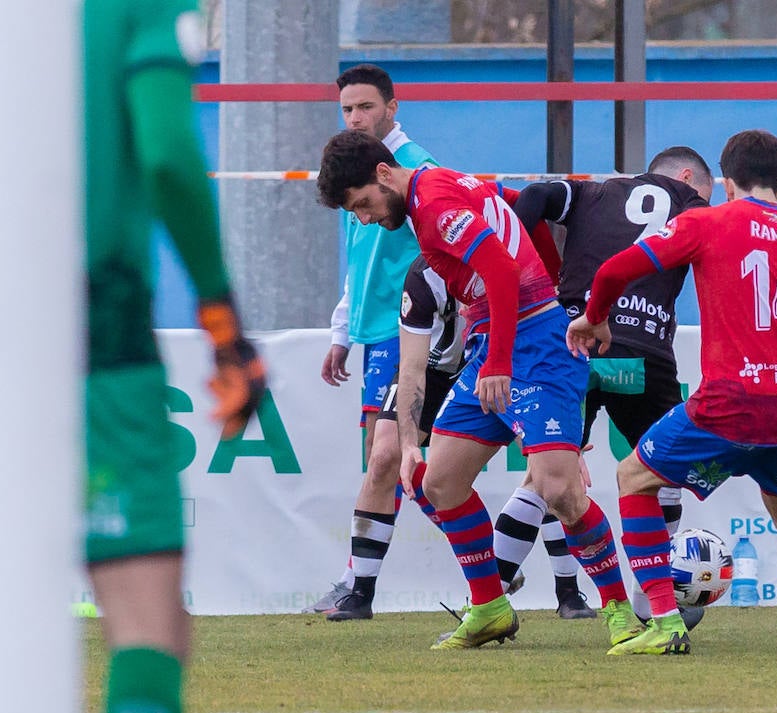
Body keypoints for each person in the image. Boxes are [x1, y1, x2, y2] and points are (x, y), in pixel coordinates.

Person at [0, 3, 264, 713]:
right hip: (102, 346)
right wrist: (222, 321)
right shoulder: (145, 6)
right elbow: (167, 155)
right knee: (146, 626)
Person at [317, 130, 643, 650]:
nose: (365, 218)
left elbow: (499, 266)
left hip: (533, 346)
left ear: (383, 174)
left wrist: (506, 351)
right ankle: (490, 607)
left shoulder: (435, 201)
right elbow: (519, 212)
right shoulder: (442, 191)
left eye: (363, 204)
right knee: (440, 481)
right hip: (496, 341)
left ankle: (620, 613)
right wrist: (407, 442)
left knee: (559, 488)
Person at [566, 129, 777, 656]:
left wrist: (596, 319)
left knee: (632, 477)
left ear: (727, 183)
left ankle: (664, 622)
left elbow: (616, 269)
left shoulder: (707, 221)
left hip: (729, 402)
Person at [503, 146, 714, 626]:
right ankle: (653, 601)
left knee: (545, 476)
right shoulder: (693, 208)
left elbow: (535, 194)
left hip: (574, 340)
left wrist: (521, 264)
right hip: (644, 355)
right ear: (686, 178)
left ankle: (488, 596)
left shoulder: (590, 191)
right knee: (661, 474)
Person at [306, 64, 439, 614]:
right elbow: (359, 262)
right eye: (347, 109)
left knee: (387, 455)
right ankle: (360, 584)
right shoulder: (353, 172)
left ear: (392, 107)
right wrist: (343, 328)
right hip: (373, 332)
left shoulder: (419, 174)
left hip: (411, 333)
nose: (356, 117)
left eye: (365, 107)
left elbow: (439, 256)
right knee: (381, 458)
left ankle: (357, 584)